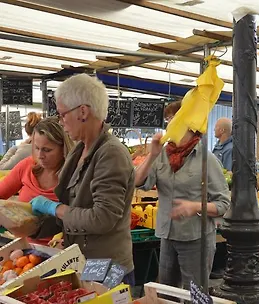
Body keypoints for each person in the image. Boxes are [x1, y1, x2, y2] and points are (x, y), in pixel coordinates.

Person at [29, 74, 136, 283]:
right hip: (83, 263)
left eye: (62, 115)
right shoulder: (79, 150)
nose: (61, 122)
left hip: (107, 269)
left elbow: (103, 218)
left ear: (83, 112)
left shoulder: (110, 153)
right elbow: (75, 207)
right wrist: (32, 225)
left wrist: (55, 208)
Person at [135, 102, 230, 289]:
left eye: (173, 119)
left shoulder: (206, 159)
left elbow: (223, 203)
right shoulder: (162, 155)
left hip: (196, 238)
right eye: (167, 120)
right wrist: (151, 155)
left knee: (194, 294)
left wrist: (195, 207)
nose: (168, 124)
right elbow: (137, 182)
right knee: (167, 291)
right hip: (167, 235)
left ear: (188, 123)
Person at [0, 117, 72, 202]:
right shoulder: (27, 165)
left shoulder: (76, 174)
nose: (40, 155)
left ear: (63, 148)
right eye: (37, 148)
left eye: (47, 150)